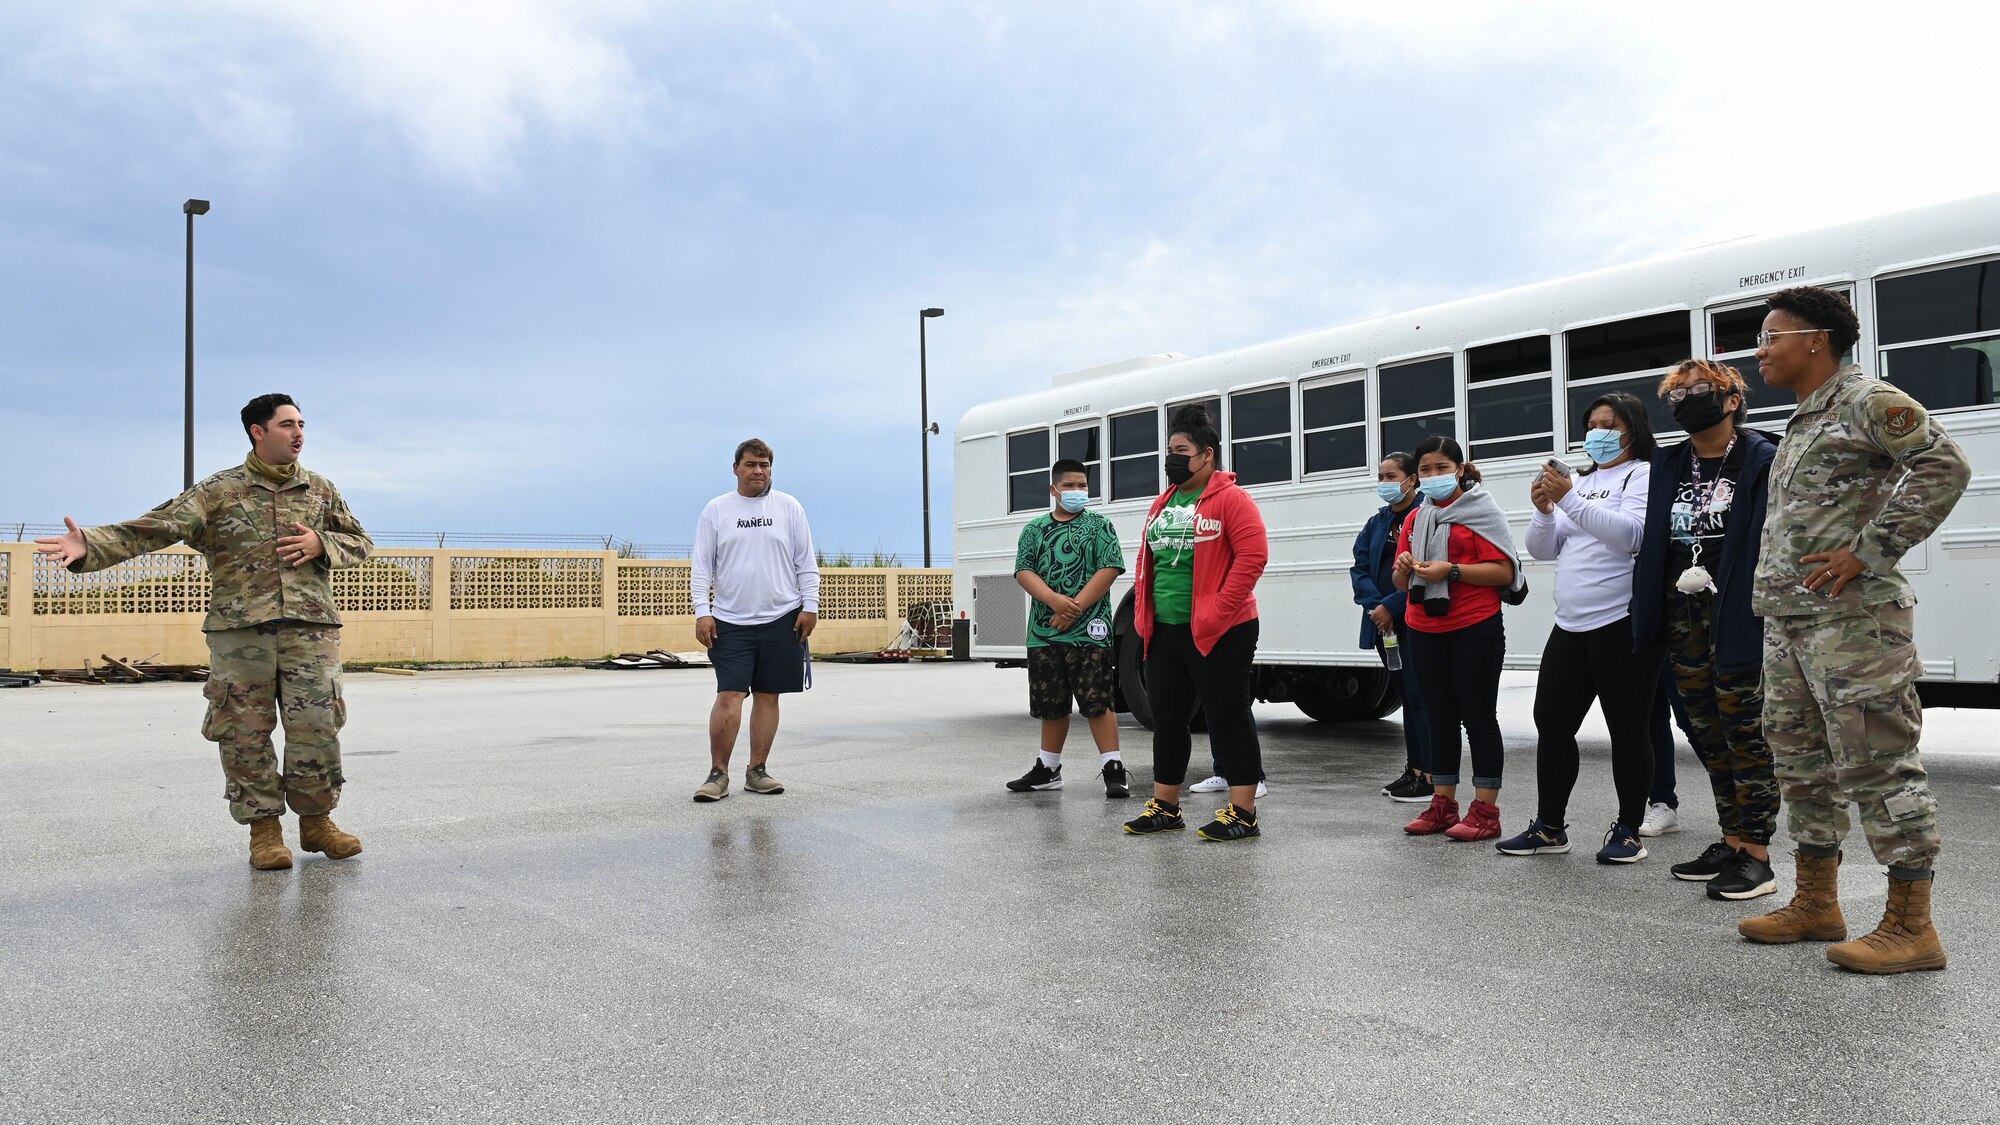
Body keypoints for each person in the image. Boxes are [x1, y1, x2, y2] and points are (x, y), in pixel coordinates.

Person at [35, 394, 372, 870]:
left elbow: (361, 542)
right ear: (258, 432)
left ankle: (318, 824)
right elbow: (159, 526)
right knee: (244, 732)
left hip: (310, 630)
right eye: (286, 425)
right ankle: (265, 833)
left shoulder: (321, 490)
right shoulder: (218, 490)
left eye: (301, 424)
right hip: (240, 633)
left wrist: (324, 542)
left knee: (317, 727)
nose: (298, 433)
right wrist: (90, 544)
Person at [1737, 286, 1970, 974]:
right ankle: (1816, 902)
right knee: (1801, 765)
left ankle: (1912, 926)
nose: (1761, 349)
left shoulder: (1868, 400)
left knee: (1878, 762)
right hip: (1791, 622)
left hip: (1855, 624)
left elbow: (1945, 465)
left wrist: (1868, 551)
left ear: (1816, 339)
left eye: (1771, 335)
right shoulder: (1806, 419)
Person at [1631, 358, 1781, 899]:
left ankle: (1758, 857)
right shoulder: (1669, 464)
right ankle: (1732, 840)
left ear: (1733, 399)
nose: (1689, 399)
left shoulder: (1763, 459)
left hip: (1738, 613)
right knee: (1709, 735)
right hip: (1680, 617)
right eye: (1679, 393)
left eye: (1703, 390)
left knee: (1746, 734)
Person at [1498, 394, 1660, 863]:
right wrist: (1546, 510)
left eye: (1609, 424)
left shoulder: (1643, 475)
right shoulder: (1581, 480)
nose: (1598, 433)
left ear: (1633, 429)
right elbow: (1543, 550)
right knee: (1551, 723)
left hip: (1621, 621)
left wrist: (1567, 496)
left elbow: (1630, 534)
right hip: (1570, 624)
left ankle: (1629, 829)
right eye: (1592, 424)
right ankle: (1550, 826)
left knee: (1628, 728)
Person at [1121, 404, 1270, 841]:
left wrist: (1220, 610)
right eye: (1169, 450)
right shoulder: (1164, 501)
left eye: (1181, 450)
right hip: (1164, 629)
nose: (1172, 458)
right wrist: (1144, 618)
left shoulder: (1232, 499)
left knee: (1228, 717)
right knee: (1167, 719)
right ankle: (1167, 806)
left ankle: (1243, 813)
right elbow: (1151, 561)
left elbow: (1252, 557)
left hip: (1222, 628)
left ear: (1207, 455)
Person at [1394, 436, 1524, 843]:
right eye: (1426, 470)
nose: (1434, 476)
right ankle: (1442, 804)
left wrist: (1452, 571)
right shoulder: (1417, 518)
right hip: (1423, 628)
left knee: (1479, 718)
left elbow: (1506, 572)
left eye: (1442, 468)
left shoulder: (1481, 511)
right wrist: (1403, 567)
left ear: (1461, 469)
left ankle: (1486, 811)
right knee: (1439, 719)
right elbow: (1401, 583)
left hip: (1474, 627)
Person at [689, 439, 820, 803]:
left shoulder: (789, 507)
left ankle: (757, 770)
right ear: (736, 468)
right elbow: (702, 566)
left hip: (783, 619)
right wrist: (703, 611)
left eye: (764, 464)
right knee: (730, 695)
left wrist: (810, 606)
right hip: (730, 623)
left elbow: (805, 563)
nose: (758, 471)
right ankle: (718, 774)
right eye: (750, 464)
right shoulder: (717, 510)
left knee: (768, 695)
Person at [1006, 458, 1129, 797]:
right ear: (1054, 489)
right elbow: (1023, 571)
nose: (1077, 491)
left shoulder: (1100, 525)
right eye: (1070, 486)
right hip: (1044, 634)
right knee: (1052, 703)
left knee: (1098, 701)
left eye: (1082, 485)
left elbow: (1109, 568)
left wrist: (1072, 609)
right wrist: (1052, 599)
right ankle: (1048, 768)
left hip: (1091, 634)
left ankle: (1113, 767)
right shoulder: (1034, 529)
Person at [1352, 452, 1433, 803]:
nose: (1385, 483)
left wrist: (1392, 605)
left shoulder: (1426, 517)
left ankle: (1430, 773)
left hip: (1416, 621)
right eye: (1380, 477)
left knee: (1421, 697)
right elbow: (1359, 568)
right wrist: (1377, 607)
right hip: (1385, 627)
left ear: (1411, 479)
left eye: (1391, 476)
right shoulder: (1378, 521)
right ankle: (1414, 768)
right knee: (1405, 693)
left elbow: (1423, 570)